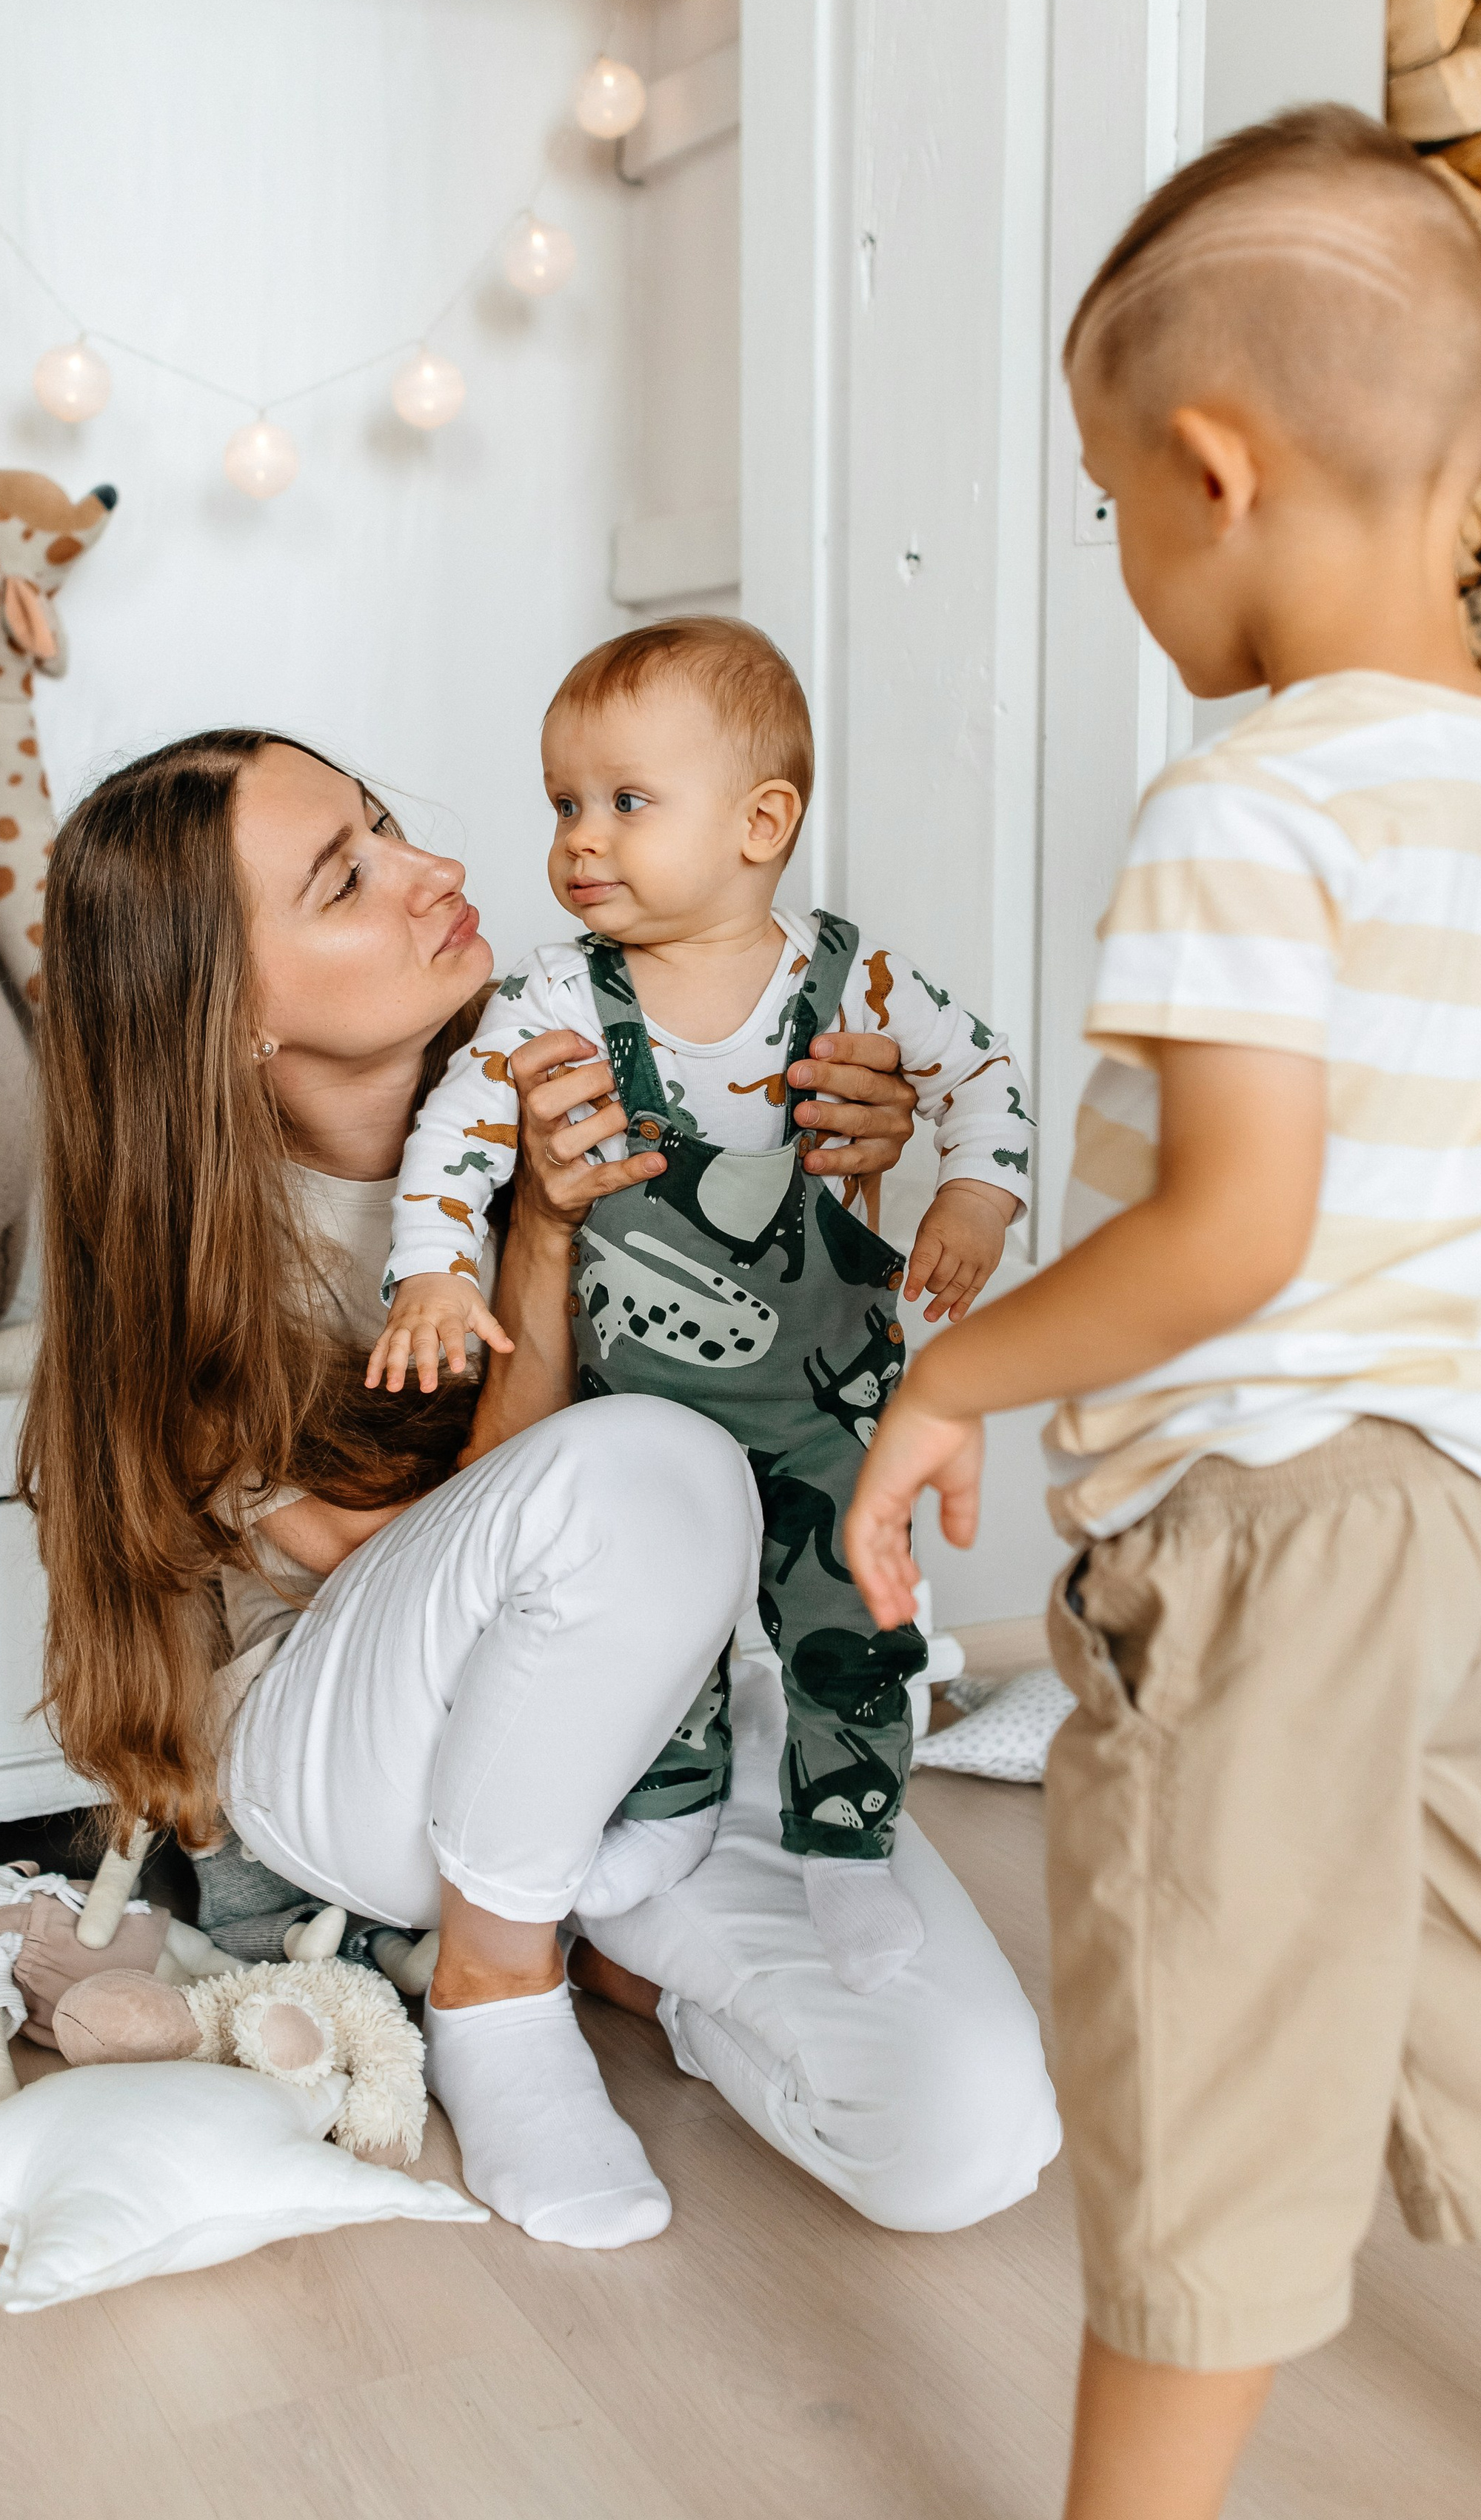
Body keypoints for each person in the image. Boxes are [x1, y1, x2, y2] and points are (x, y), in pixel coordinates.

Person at [843, 104, 1481, 2517]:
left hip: (1280, 1533)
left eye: (1107, 501)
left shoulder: (1243, 810)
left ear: (1214, 472)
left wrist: (953, 1365)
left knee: (1209, 2082)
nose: (1125, 558)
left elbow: (1235, 1230)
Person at [21, 727, 1057, 2252]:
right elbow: (470, 1542)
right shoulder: (191, 1265)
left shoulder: (572, 1061)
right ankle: (495, 1990)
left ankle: (607, 1956)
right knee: (653, 1461)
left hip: (637, 1730)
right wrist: (543, 1242)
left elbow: (787, 1382)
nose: (433, 869)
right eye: (345, 879)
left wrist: (842, 1173)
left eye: (388, 824)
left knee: (961, 2137)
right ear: (228, 1014)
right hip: (359, 1765)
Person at [372, 619, 1030, 1993]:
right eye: (562, 805)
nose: (578, 842)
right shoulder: (555, 995)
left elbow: (986, 1085)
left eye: (624, 803)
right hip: (638, 1416)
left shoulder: (858, 985)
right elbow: (456, 1139)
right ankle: (660, 1811)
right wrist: (434, 1267)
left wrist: (973, 1199)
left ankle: (846, 1845)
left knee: (850, 1617)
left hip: (829, 1400)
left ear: (760, 821)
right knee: (647, 1626)